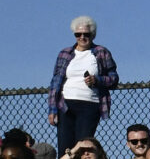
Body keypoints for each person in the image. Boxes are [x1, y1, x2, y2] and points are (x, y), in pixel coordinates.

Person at [50, 17, 121, 150]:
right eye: (78, 34)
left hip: (90, 105)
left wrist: (97, 80)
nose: (82, 37)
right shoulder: (65, 53)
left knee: (83, 147)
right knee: (65, 147)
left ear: (92, 35)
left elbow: (114, 78)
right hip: (65, 105)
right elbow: (55, 82)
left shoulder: (101, 52)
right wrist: (52, 109)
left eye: (86, 34)